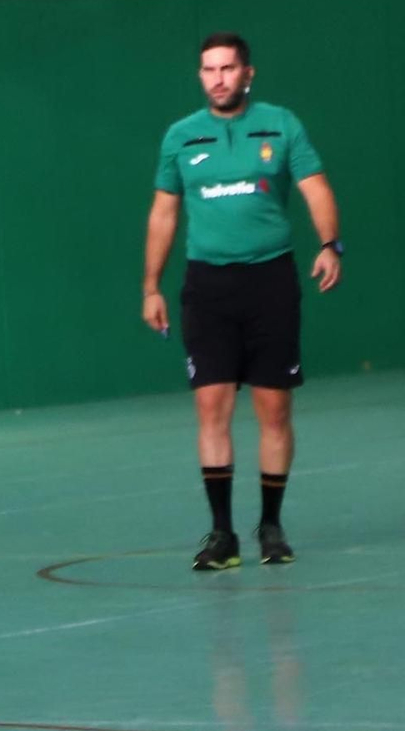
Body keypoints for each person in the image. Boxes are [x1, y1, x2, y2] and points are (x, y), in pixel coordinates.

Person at [142, 32, 341, 571]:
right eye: (209, 70)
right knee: (211, 406)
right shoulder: (181, 137)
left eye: (228, 68)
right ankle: (222, 534)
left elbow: (315, 185)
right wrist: (151, 285)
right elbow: (164, 212)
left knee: (273, 408)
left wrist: (329, 244)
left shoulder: (281, 124)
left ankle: (271, 526)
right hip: (207, 289)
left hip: (270, 283)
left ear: (247, 74)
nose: (219, 78)